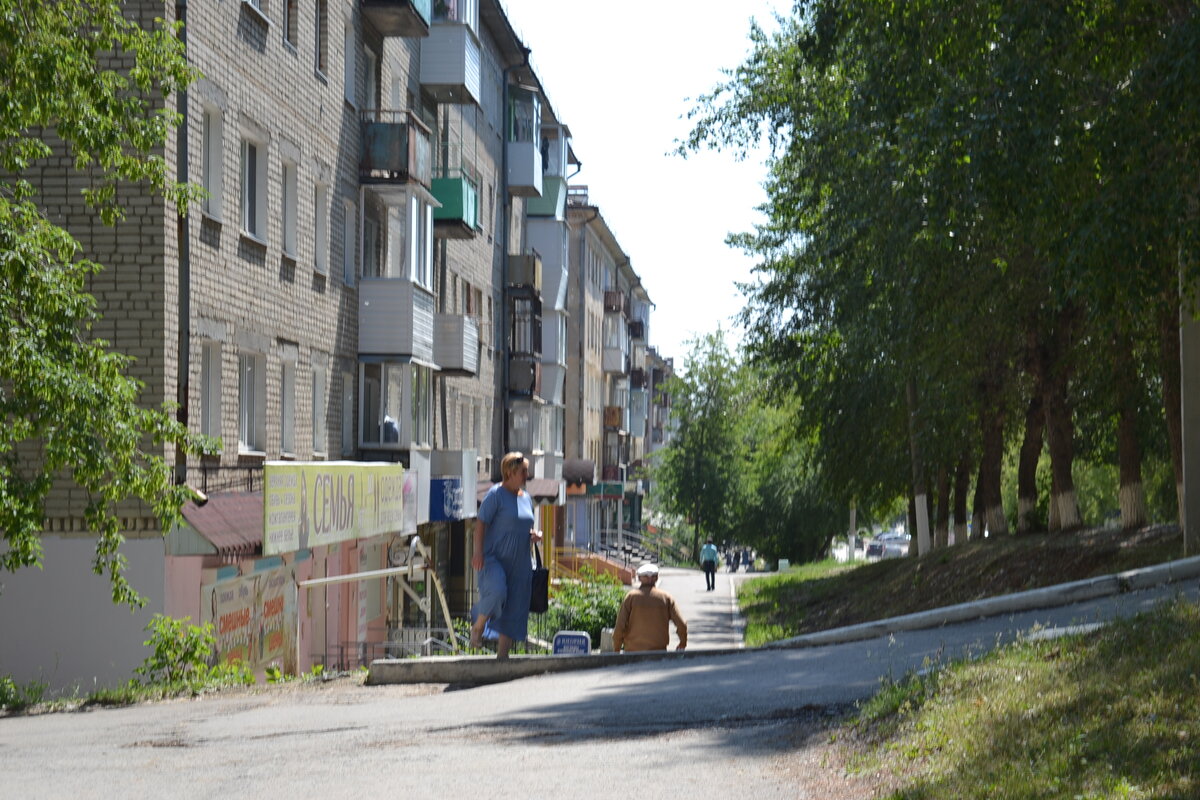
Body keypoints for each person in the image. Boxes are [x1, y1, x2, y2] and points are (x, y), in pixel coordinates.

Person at [470, 452, 541, 659]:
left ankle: (502, 659)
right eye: (523, 471)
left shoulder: (526, 498)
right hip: (495, 559)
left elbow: (521, 526)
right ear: (510, 472)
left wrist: (533, 536)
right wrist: (477, 552)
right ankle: (479, 626)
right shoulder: (495, 495)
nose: (527, 475)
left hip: (520, 562)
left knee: (513, 610)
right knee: (497, 591)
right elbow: (481, 523)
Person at [612, 563, 687, 652]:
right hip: (659, 651)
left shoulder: (631, 597)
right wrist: (683, 642)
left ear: (639, 578)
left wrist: (617, 647)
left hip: (632, 651)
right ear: (657, 578)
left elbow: (620, 625)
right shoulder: (666, 598)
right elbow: (681, 623)